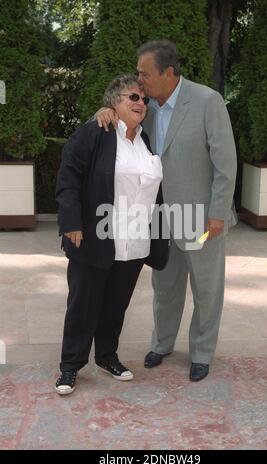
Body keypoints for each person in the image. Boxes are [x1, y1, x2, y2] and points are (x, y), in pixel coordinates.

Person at [96, 40, 237, 382]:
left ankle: (202, 352)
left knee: (206, 288)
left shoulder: (207, 101)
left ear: (169, 72)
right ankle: (162, 343)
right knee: (165, 285)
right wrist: (105, 112)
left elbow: (225, 162)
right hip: (159, 218)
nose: (139, 82)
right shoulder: (146, 106)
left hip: (202, 218)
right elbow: (117, 123)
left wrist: (217, 212)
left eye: (145, 74)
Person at [55, 74, 167, 395]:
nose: (141, 104)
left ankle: (106, 356)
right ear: (114, 102)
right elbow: (69, 179)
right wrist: (71, 223)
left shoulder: (145, 141)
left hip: (134, 243)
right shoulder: (97, 131)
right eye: (133, 97)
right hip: (95, 237)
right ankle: (69, 367)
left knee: (115, 306)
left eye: (144, 100)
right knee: (83, 304)